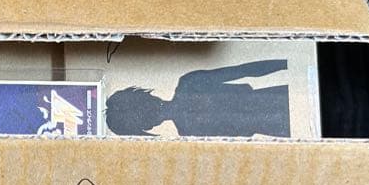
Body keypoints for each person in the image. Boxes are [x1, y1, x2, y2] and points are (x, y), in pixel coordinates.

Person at [105, 60, 290, 137]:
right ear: (148, 96)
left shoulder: (189, 134)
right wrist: (285, 63)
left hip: (277, 124)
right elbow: (245, 70)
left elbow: (244, 71)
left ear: (148, 127)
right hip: (278, 99)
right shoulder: (189, 83)